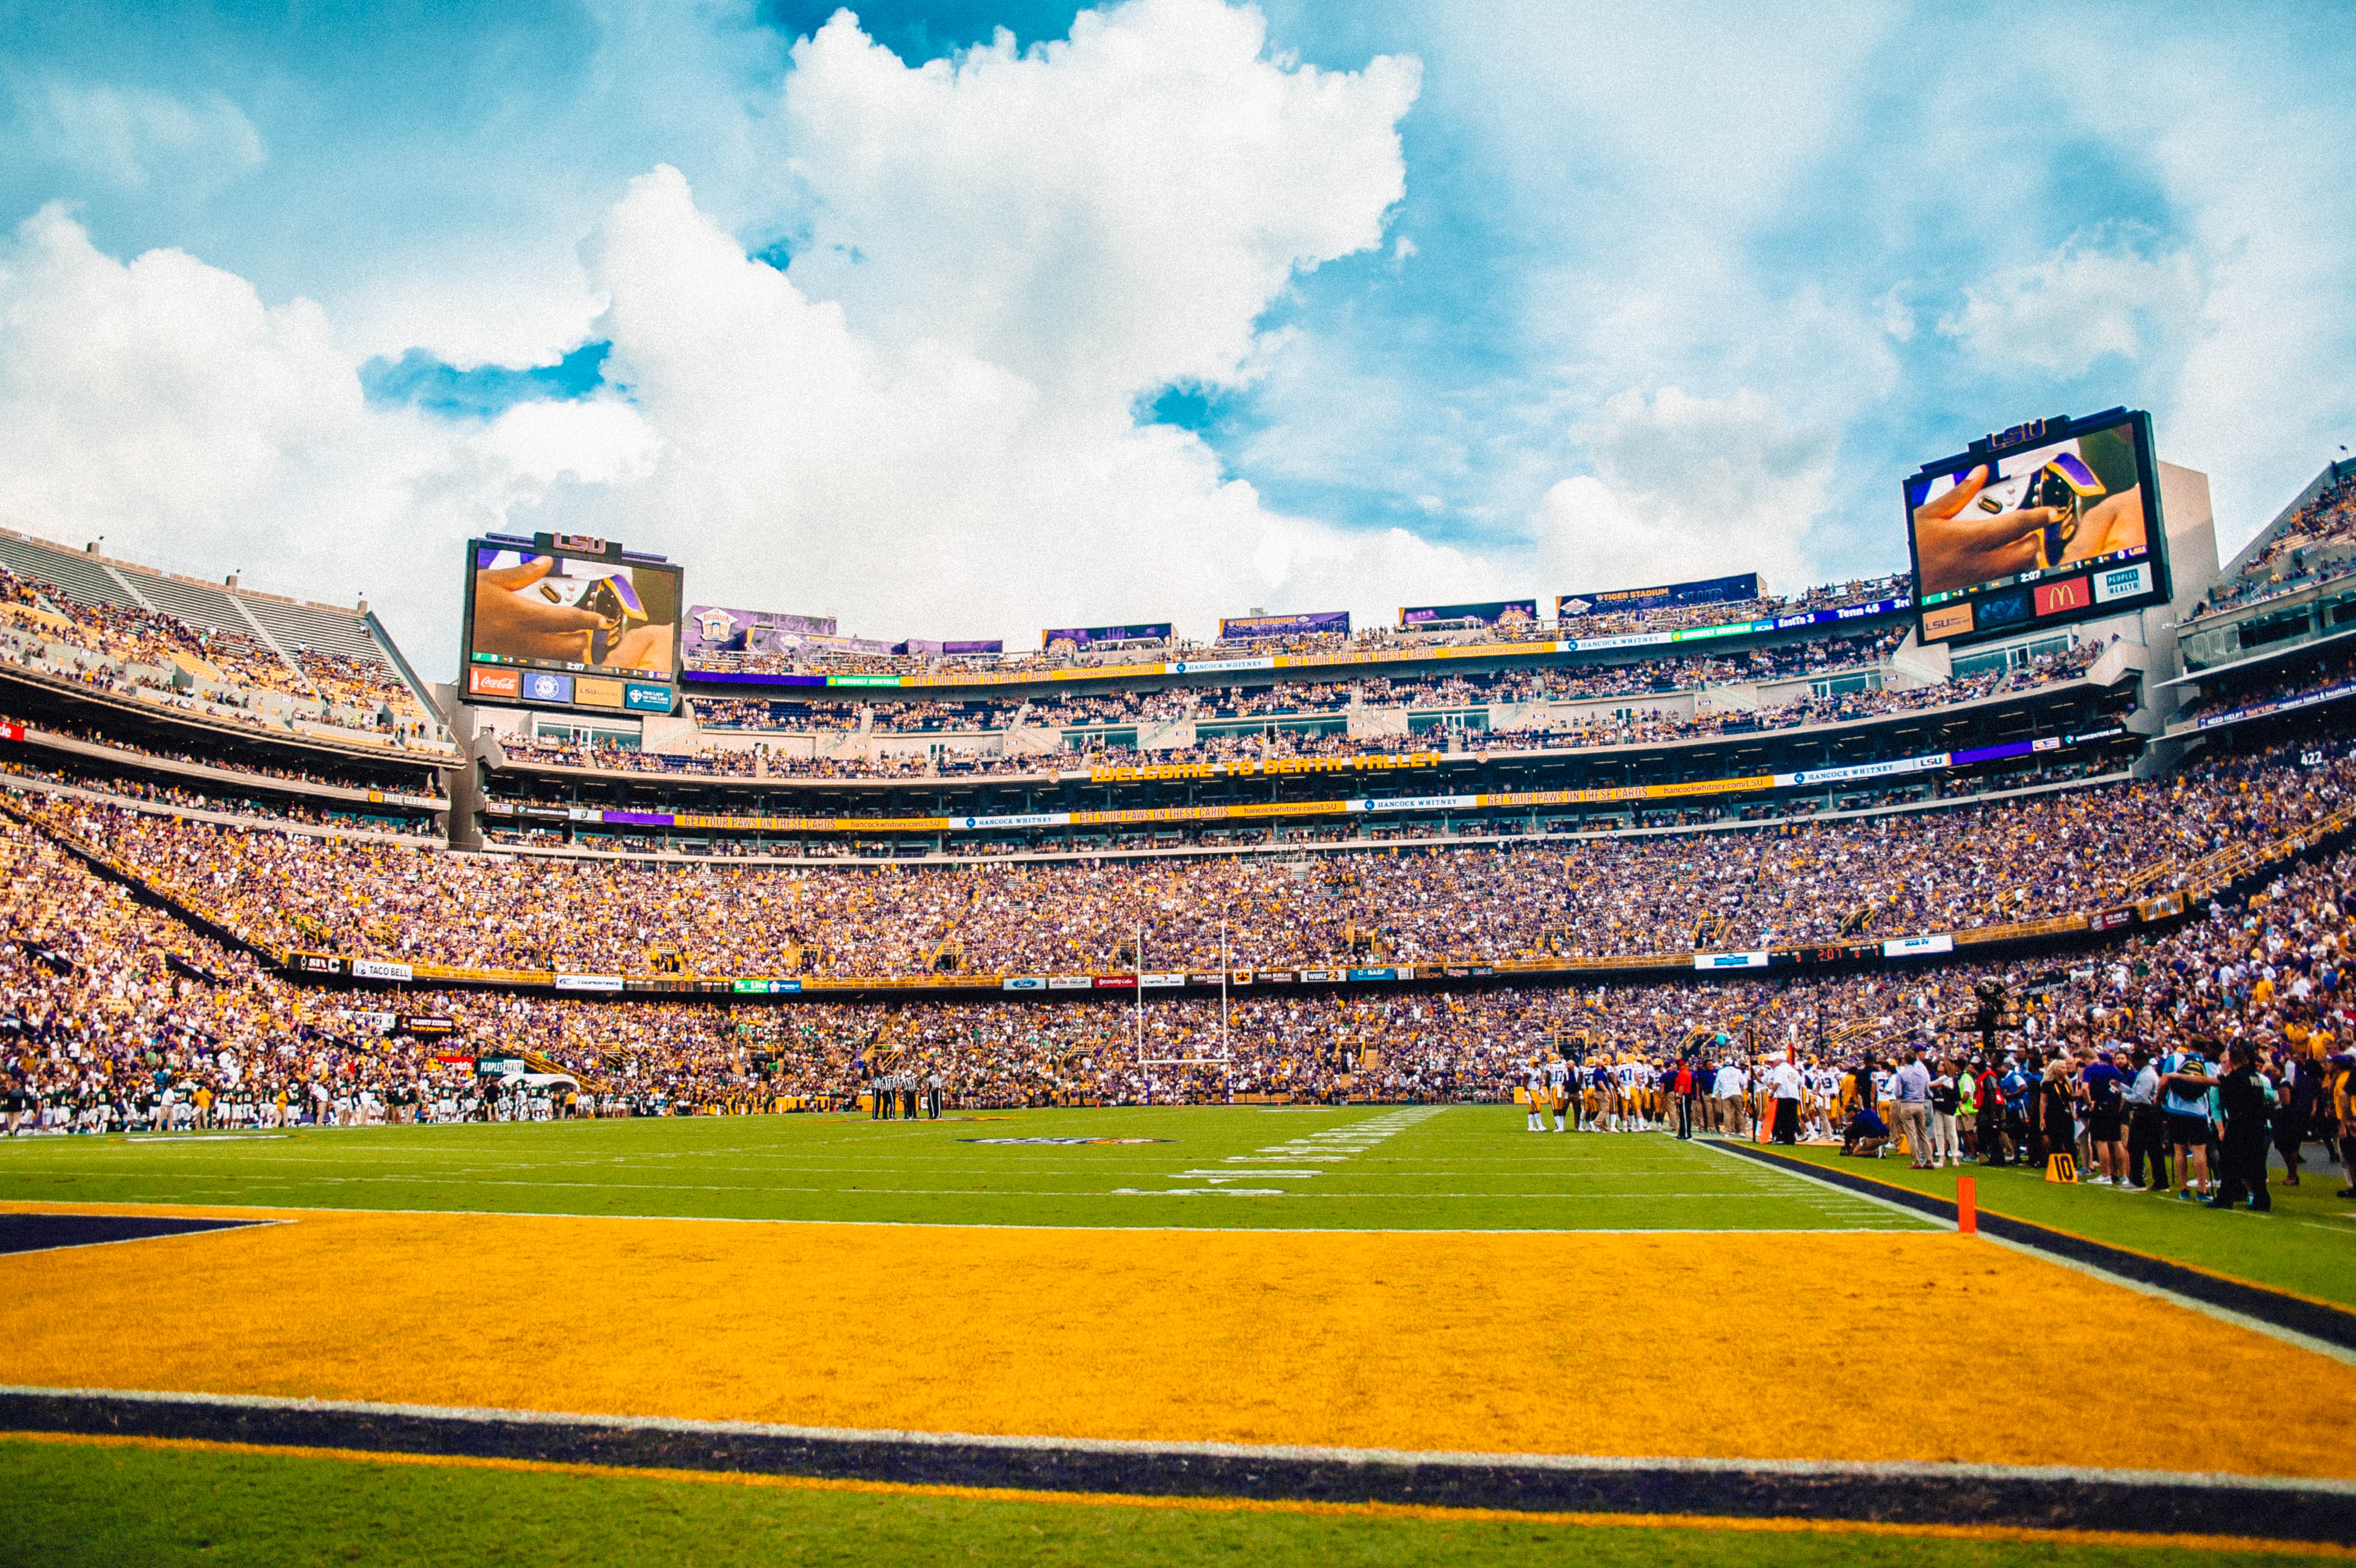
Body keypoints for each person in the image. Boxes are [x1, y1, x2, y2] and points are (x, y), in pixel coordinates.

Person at [2163, 1045, 2276, 1212]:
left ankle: (2226, 1198)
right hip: (2257, 1126)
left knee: (2229, 1163)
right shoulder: (2256, 1078)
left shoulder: (2236, 1077)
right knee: (2255, 1165)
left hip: (2239, 1125)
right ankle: (2262, 1200)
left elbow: (2208, 1081)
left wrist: (2179, 1076)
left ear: (2231, 1061)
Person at [1889, 1049, 1932, 1169]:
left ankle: (1917, 1161)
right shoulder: (1921, 1073)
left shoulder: (1901, 1074)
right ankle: (1929, 1160)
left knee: (1912, 1134)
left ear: (1905, 1060)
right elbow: (1927, 1091)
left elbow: (1898, 1093)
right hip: (1920, 1104)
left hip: (1908, 1104)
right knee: (1923, 1133)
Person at [1765, 1056, 1803, 1145]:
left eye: (1773, 1062)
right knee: (1792, 1118)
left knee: (1782, 1119)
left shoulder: (1779, 1070)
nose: (1772, 1064)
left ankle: (1784, 1138)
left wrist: (1772, 1092)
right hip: (1794, 1096)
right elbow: (1800, 1082)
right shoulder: (1793, 1070)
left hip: (1783, 1096)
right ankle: (1791, 1139)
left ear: (1779, 1061)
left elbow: (1777, 1082)